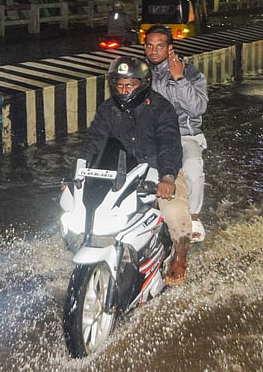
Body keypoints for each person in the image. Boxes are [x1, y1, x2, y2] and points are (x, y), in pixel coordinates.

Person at [78, 55, 192, 285]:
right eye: (119, 85)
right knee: (84, 207)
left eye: (129, 85)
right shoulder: (108, 109)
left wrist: (168, 177)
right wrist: (79, 172)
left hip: (157, 168)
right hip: (123, 169)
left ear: (143, 83)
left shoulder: (161, 108)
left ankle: (180, 256)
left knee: (174, 210)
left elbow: (169, 143)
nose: (123, 90)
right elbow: (94, 141)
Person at [142, 24, 210, 243]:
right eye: (149, 46)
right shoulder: (142, 73)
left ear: (170, 48)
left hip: (184, 134)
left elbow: (198, 108)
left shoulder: (190, 73)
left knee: (192, 166)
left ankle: (194, 216)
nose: (154, 51)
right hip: (152, 135)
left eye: (159, 46)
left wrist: (179, 79)